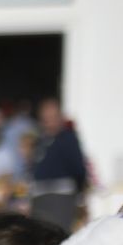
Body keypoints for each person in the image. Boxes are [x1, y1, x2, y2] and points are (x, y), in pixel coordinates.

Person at [27, 97, 88, 230]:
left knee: (56, 233)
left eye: (52, 117)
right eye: (45, 118)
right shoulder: (41, 140)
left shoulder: (67, 139)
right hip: (39, 196)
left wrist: (80, 194)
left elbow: (78, 168)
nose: (48, 122)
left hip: (60, 197)